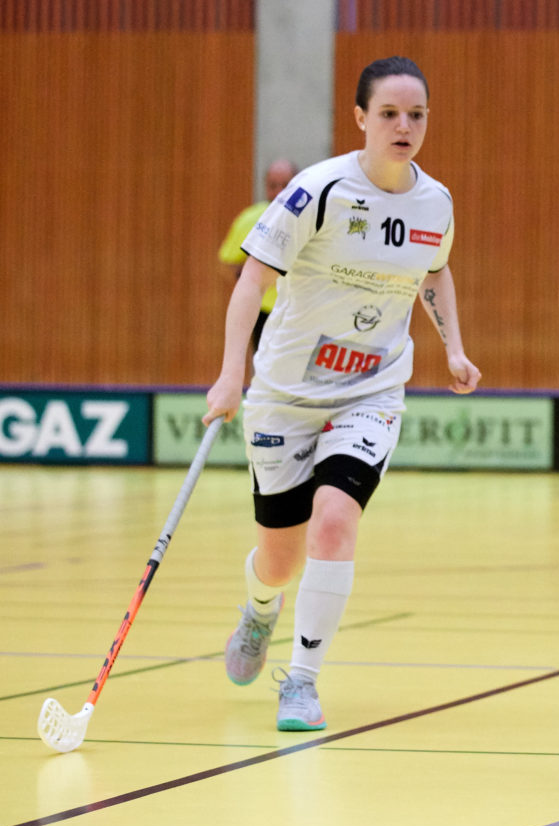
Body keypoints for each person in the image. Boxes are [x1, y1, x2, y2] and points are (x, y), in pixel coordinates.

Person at [204, 56, 481, 732]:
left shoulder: (435, 202)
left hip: (371, 390)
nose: (404, 126)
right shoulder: (315, 190)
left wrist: (453, 346)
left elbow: (434, 275)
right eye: (389, 113)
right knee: (280, 558)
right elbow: (249, 282)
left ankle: (300, 681)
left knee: (334, 520)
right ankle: (260, 607)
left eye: (416, 115)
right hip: (284, 392)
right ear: (360, 118)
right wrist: (230, 373)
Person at [218, 158, 299, 353]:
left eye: (285, 185)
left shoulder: (313, 221)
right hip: (261, 311)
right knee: (263, 367)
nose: (279, 192)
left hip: (298, 309)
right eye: (273, 186)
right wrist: (254, 275)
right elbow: (227, 263)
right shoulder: (250, 219)